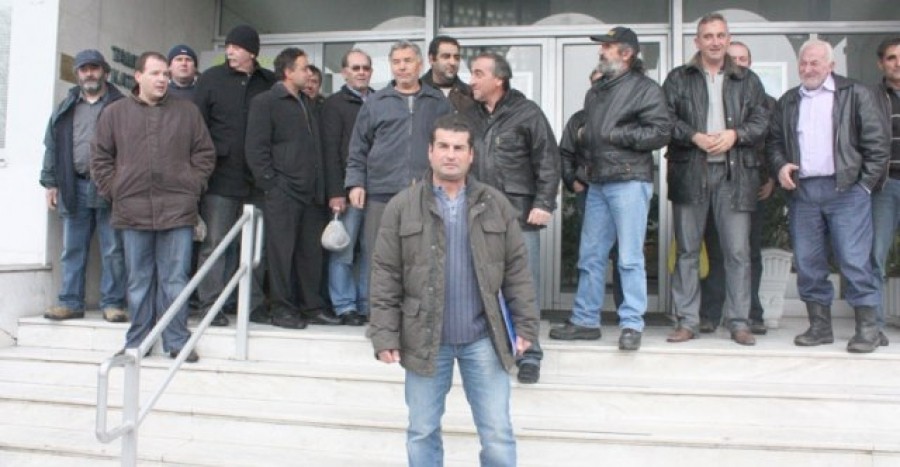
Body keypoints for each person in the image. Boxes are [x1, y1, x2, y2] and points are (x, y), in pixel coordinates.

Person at [367, 114, 539, 467]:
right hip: (424, 338)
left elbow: (517, 272)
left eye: (459, 148)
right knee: (422, 431)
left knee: (497, 435)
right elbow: (385, 274)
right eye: (443, 146)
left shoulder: (496, 204)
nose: (450, 154)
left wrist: (525, 327)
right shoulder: (402, 206)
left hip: (484, 338)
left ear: (471, 155)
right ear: (430, 151)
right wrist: (384, 334)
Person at [549, 27, 671, 352]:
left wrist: (618, 135)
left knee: (629, 258)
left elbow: (661, 132)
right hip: (599, 183)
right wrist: (582, 168)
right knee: (590, 256)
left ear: (626, 53)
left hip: (629, 180)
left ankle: (631, 324)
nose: (601, 51)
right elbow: (590, 138)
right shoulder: (597, 91)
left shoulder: (645, 89)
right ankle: (585, 320)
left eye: (607, 46)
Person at [92, 51, 215, 362]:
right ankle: (138, 342)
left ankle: (177, 340)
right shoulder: (114, 113)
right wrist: (115, 190)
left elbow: (204, 154)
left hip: (178, 210)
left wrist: (192, 186)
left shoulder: (187, 112)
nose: (162, 79)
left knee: (175, 279)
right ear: (138, 76)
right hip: (132, 211)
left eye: (165, 74)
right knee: (138, 281)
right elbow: (100, 158)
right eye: (155, 73)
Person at [768, 39, 890, 353]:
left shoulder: (855, 93)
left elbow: (878, 145)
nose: (808, 69)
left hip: (847, 191)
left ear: (831, 65)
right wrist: (780, 166)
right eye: (804, 63)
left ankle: (868, 329)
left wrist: (864, 186)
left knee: (854, 260)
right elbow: (774, 142)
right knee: (808, 262)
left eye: (815, 63)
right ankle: (820, 327)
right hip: (803, 193)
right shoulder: (788, 100)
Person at [663, 13, 769, 346]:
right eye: (708, 36)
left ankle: (739, 322)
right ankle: (687, 321)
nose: (715, 42)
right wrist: (693, 135)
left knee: (737, 251)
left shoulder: (748, 80)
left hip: (733, 175)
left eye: (720, 35)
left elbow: (762, 120)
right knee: (687, 252)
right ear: (697, 41)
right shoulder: (678, 78)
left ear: (728, 39)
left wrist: (736, 134)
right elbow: (664, 119)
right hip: (690, 172)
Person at [467, 52, 559, 383]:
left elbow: (548, 160)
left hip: (519, 214)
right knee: (478, 284)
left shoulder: (527, 112)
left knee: (523, 287)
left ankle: (529, 354)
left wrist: (544, 202)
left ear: (499, 79)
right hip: (476, 215)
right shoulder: (468, 116)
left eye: (478, 74)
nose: (471, 80)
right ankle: (493, 348)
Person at [246, 47, 343, 329]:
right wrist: (272, 184)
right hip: (283, 193)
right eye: (304, 68)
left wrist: (326, 190)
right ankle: (282, 309)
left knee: (311, 254)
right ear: (288, 72)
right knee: (281, 254)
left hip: (312, 195)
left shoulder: (308, 103)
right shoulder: (266, 102)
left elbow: (320, 151)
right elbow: (256, 149)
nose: (309, 73)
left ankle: (311, 306)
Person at [344, 40, 452, 288]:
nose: (402, 67)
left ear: (419, 64)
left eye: (407, 61)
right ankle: (380, 312)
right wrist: (356, 183)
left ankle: (418, 311)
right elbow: (358, 147)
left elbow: (449, 146)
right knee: (379, 259)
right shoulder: (376, 102)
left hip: (425, 194)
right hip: (381, 195)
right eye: (396, 62)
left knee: (422, 260)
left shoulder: (438, 102)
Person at [194, 25, 278, 327]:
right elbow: (197, 126)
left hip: (259, 179)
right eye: (228, 46)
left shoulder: (270, 83)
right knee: (216, 243)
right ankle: (210, 306)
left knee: (256, 246)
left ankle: (252, 305)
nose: (229, 51)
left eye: (236, 47)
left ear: (252, 52)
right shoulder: (210, 79)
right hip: (221, 178)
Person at [39, 49, 127, 323]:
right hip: (73, 185)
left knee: (113, 249)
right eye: (84, 69)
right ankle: (70, 302)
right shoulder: (65, 107)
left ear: (105, 72)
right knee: (72, 249)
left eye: (94, 68)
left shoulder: (120, 106)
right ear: (77, 74)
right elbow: (52, 146)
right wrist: (50, 183)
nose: (89, 74)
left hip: (109, 187)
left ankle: (113, 303)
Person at [698, 40, 777, 336]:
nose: (739, 63)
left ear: (750, 63)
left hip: (752, 185)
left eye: (743, 58)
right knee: (715, 251)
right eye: (734, 58)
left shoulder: (767, 102)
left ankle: (751, 314)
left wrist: (770, 179)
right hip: (713, 182)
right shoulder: (711, 95)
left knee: (747, 252)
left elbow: (774, 144)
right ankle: (710, 313)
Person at [559, 67, 626, 310]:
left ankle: (625, 311)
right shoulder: (578, 119)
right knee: (589, 252)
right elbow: (564, 153)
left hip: (621, 189)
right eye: (596, 82)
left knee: (624, 254)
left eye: (605, 81)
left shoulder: (627, 117)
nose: (600, 87)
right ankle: (585, 312)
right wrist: (572, 181)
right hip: (588, 191)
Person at [321, 48, 374, 326]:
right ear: (344, 72)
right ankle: (344, 305)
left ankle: (366, 304)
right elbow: (329, 152)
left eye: (365, 68)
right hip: (347, 190)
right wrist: (336, 192)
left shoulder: (380, 100)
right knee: (343, 248)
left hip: (377, 190)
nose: (361, 72)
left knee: (371, 250)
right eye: (355, 68)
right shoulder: (333, 104)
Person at [871, 37, 900, 343]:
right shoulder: (871, 97)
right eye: (891, 58)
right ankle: (874, 325)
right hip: (885, 185)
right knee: (876, 256)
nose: (898, 63)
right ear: (881, 64)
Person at [421, 35, 475, 113]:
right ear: (431, 59)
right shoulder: (417, 92)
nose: (453, 62)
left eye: (456, 57)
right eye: (446, 57)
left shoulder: (470, 95)